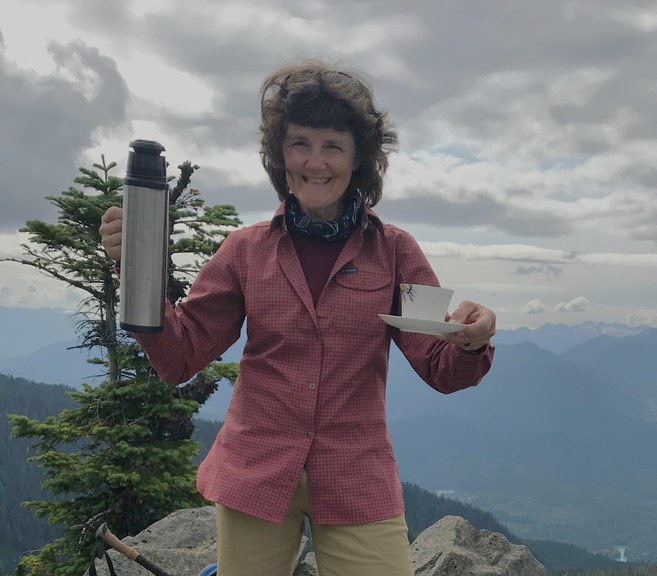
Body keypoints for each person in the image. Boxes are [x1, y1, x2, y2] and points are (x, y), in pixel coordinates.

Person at [99, 59, 496, 576]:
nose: (315, 161)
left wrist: (470, 339)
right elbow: (181, 356)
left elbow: (438, 366)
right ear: (279, 155)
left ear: (359, 159)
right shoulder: (245, 252)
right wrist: (136, 270)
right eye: (300, 143)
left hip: (356, 472)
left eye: (333, 145)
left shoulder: (395, 252)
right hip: (255, 469)